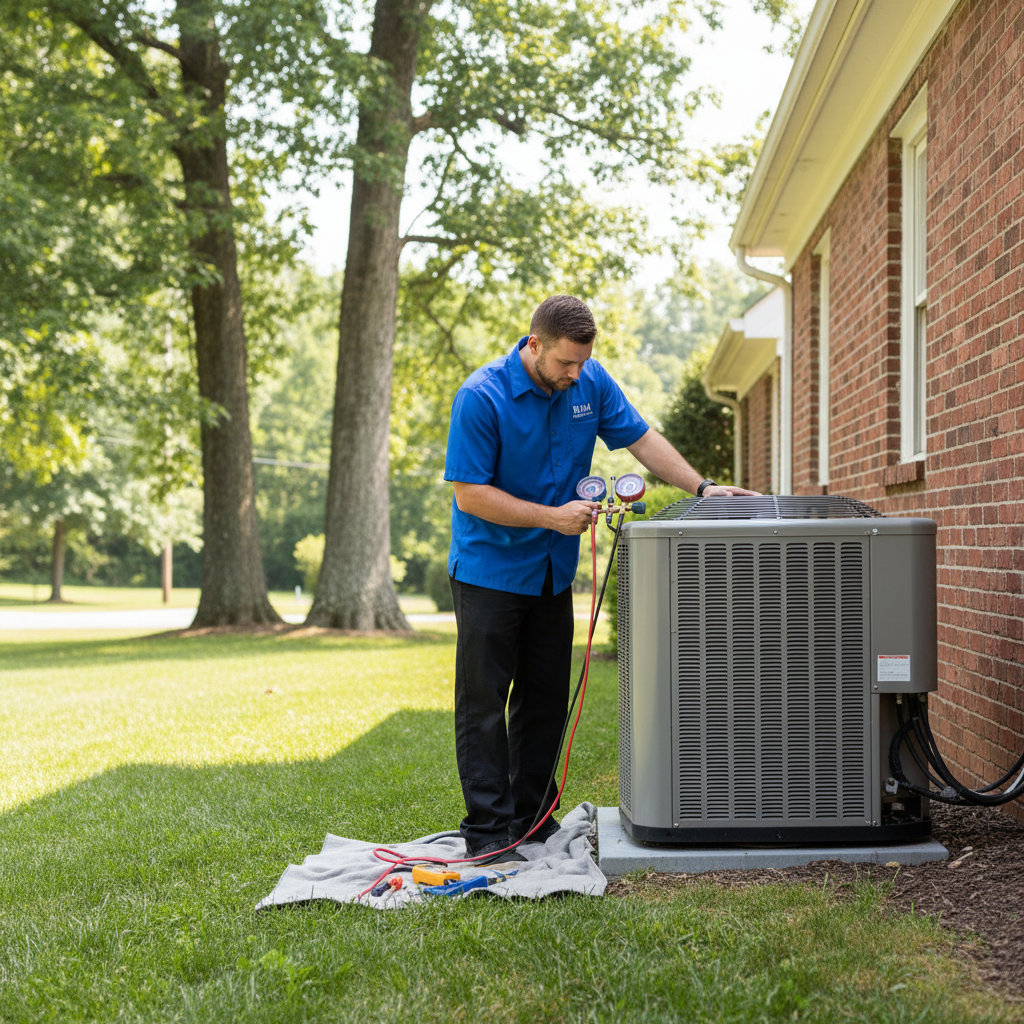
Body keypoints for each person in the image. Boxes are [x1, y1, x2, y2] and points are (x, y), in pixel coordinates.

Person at [443, 294, 756, 862]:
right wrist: (552, 517)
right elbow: (470, 494)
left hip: (550, 574)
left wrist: (703, 488)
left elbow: (641, 438)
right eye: (566, 362)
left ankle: (532, 820)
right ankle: (487, 833)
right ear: (534, 344)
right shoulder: (481, 396)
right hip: (489, 570)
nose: (575, 373)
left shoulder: (589, 381)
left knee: (544, 700)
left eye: (582, 362)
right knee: (483, 705)